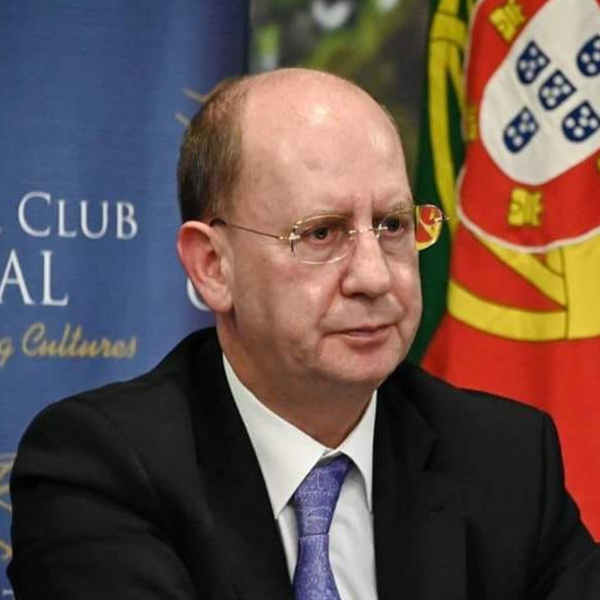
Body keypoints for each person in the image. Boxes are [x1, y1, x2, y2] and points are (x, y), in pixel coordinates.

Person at [8, 69, 600, 599]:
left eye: (393, 225)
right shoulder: (99, 469)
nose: (374, 276)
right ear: (213, 267)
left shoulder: (504, 458)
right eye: (321, 233)